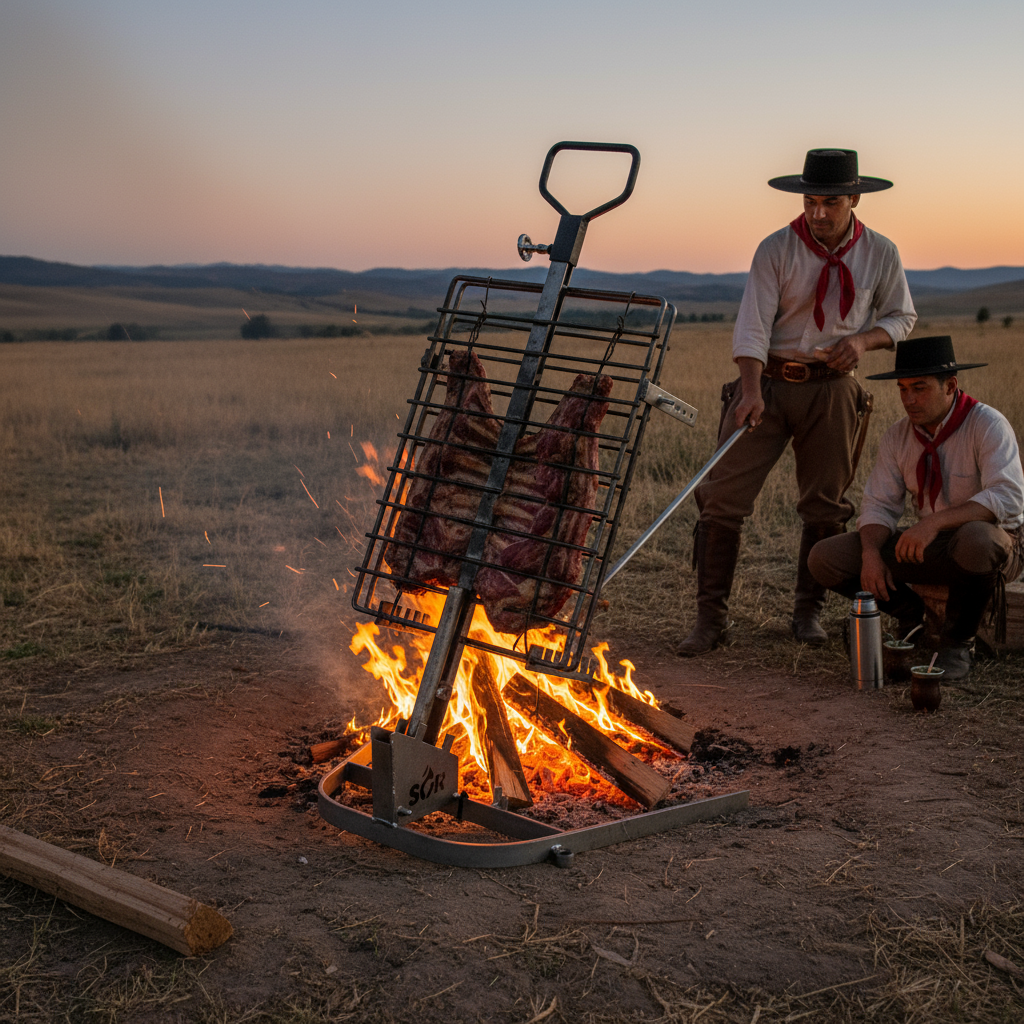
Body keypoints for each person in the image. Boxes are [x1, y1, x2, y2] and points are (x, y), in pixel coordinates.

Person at [678, 148, 918, 656]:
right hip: (765, 382)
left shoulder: (881, 252)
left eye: (830, 203)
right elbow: (752, 325)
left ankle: (808, 614)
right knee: (721, 499)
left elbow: (902, 317)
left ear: (854, 200)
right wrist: (748, 392)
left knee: (825, 505)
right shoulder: (776, 249)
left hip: (833, 389)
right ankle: (710, 621)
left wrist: (862, 342)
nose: (818, 213)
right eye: (810, 202)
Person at [808, 336, 1024, 681]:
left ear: (950, 386)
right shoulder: (898, 436)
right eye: (903, 389)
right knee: (825, 557)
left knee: (977, 539)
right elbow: (879, 505)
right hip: (933, 545)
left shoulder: (987, 424)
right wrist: (870, 553)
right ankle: (912, 616)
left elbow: (1008, 497)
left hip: (996, 547)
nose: (908, 399)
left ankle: (957, 644)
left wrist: (933, 523)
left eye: (919, 388)